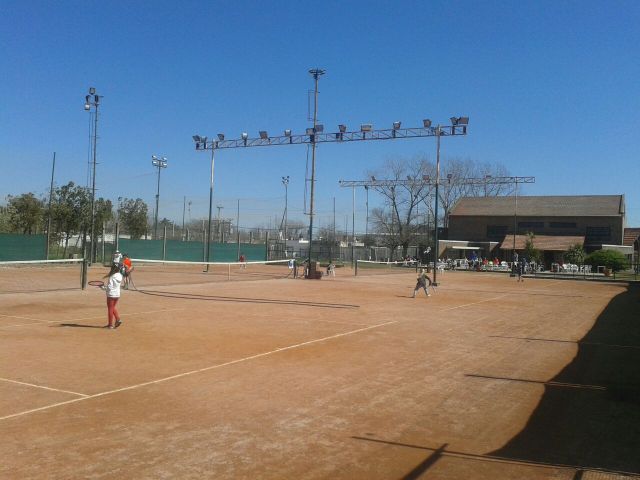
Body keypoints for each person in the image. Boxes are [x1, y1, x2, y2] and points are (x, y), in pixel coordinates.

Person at [102, 262, 123, 329]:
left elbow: (110, 287)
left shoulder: (112, 277)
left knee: (110, 309)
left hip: (111, 295)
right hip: (117, 294)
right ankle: (118, 319)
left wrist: (103, 288)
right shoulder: (120, 275)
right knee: (113, 307)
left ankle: (110, 325)